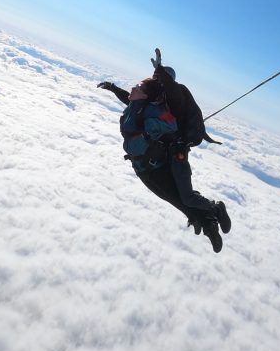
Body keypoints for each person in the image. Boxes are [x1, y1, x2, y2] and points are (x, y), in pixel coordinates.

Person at [98, 52, 231, 253]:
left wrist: (161, 72)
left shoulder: (170, 98)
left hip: (170, 156)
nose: (155, 79)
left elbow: (171, 94)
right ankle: (205, 221)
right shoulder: (150, 102)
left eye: (159, 78)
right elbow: (132, 101)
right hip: (148, 161)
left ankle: (212, 214)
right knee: (174, 197)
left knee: (183, 196)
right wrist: (114, 88)